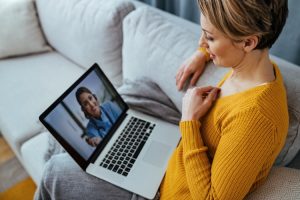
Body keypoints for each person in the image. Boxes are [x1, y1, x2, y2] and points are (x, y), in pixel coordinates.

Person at [35, 0, 289, 199]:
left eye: (210, 37)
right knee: (138, 87)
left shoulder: (256, 117)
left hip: (163, 192)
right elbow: (226, 41)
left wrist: (189, 121)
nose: (202, 42)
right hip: (174, 156)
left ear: (248, 41)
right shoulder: (254, 64)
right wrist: (204, 52)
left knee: (54, 173)